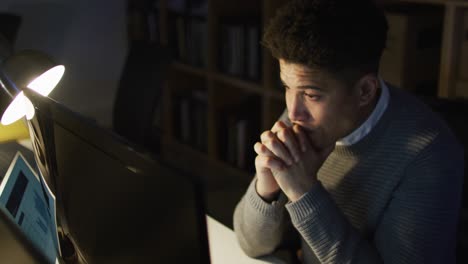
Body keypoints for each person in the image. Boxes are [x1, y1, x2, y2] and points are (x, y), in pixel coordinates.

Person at [233, 0, 464, 263]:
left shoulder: (430, 157)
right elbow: (250, 244)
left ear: (365, 90)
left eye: (310, 94)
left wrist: (304, 192)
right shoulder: (303, 115)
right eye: (287, 87)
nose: (293, 111)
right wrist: (267, 189)